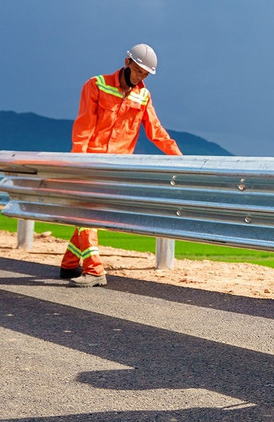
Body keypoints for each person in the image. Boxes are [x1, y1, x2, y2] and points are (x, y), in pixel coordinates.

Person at [59, 44, 183, 287]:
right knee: (86, 213)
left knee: (89, 215)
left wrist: (180, 159)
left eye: (145, 75)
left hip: (116, 168)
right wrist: (77, 161)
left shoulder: (143, 96)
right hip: (90, 163)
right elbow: (84, 126)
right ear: (127, 63)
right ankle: (95, 270)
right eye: (138, 71)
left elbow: (156, 132)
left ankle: (68, 264)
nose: (140, 78)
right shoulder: (96, 84)